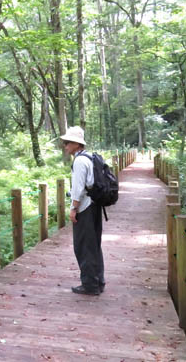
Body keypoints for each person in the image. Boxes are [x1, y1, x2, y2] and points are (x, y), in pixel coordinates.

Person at [60, 126, 105, 296]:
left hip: (85, 207)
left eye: (67, 143)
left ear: (76, 144)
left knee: (84, 246)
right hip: (94, 205)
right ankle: (98, 281)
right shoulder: (90, 157)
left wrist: (73, 209)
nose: (65, 146)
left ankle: (89, 285)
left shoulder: (79, 161)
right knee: (94, 245)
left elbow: (78, 188)